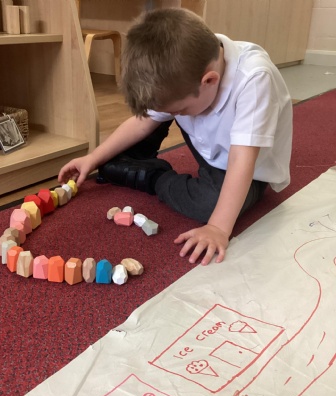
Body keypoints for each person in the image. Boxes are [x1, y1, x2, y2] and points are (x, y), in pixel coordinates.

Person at [58, 8, 292, 266]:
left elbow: (241, 161)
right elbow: (141, 123)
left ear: (209, 80)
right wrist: (93, 158)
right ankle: (133, 159)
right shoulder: (187, 68)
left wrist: (217, 227)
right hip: (207, 142)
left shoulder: (254, 79)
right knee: (158, 113)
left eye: (180, 110)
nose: (177, 114)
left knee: (209, 205)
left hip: (249, 167)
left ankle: (152, 176)